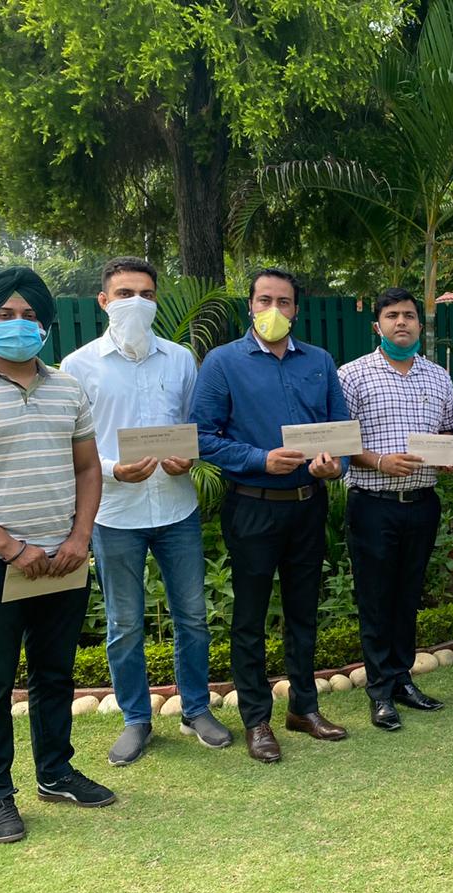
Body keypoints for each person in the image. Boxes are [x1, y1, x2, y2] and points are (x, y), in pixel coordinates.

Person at [0, 267, 116, 843]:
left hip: (62, 560)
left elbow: (88, 467)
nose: (18, 325)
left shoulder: (68, 388)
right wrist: (9, 547)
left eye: (28, 316)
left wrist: (79, 537)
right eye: (5, 315)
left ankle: (56, 773)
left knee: (54, 673)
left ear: (45, 325)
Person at [62, 257, 232, 765]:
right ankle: (136, 719)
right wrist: (114, 470)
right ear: (103, 301)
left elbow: (196, 426)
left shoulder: (180, 359)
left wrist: (190, 457)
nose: (136, 303)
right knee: (124, 623)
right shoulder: (78, 366)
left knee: (193, 617)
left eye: (146, 294)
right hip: (115, 512)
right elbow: (72, 445)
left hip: (176, 507)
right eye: (124, 294)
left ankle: (196, 709)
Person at [190, 268, 349, 763]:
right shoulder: (223, 363)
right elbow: (201, 436)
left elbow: (341, 433)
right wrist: (260, 459)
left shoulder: (319, 362)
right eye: (265, 300)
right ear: (251, 306)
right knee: (250, 618)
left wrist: (334, 467)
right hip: (253, 506)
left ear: (296, 309)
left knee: (303, 613)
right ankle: (257, 719)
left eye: (283, 301)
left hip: (307, 504)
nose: (274, 310)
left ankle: (304, 708)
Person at [340, 287, 453, 732]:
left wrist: (449, 456)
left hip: (422, 504)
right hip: (374, 504)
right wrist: (380, 462)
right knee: (375, 599)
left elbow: (447, 433)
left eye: (408, 315)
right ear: (378, 325)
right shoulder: (352, 375)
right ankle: (380, 691)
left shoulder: (438, 377)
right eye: (392, 315)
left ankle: (403, 679)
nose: (401, 322)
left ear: (420, 324)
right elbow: (342, 442)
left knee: (408, 596)